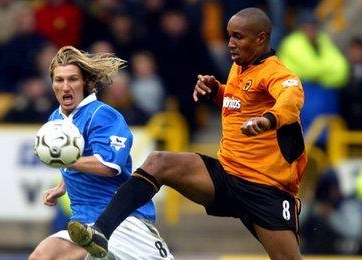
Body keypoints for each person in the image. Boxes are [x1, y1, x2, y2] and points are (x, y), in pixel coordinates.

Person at [67, 8, 306, 259]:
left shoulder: (277, 72)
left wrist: (268, 120)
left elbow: (291, 99)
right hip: (227, 175)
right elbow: (243, 101)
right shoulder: (240, 66)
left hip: (265, 189)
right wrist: (217, 92)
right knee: (159, 162)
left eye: (238, 37)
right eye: (229, 36)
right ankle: (101, 231)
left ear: (261, 38)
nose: (230, 44)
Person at [28, 46, 173, 260]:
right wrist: (62, 186)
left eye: (73, 79)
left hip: (123, 224)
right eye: (59, 80)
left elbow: (108, 166)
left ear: (85, 82)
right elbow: (74, 160)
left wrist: (68, 159)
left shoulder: (102, 115)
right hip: (84, 223)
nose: (65, 86)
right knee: (43, 256)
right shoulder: (55, 120)